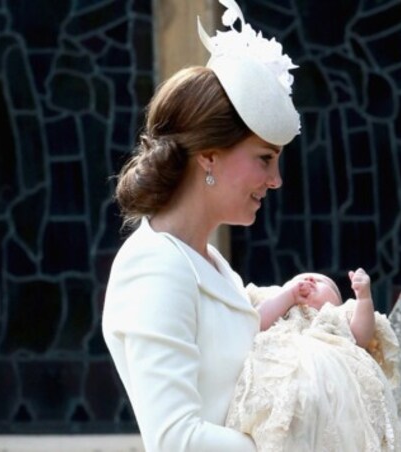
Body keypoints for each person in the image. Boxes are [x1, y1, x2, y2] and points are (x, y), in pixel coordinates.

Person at [102, 1, 300, 450]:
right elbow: (176, 439)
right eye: (264, 159)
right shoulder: (154, 266)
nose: (275, 181)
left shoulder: (208, 261)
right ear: (208, 155)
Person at [226, 269, 401, 451]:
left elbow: (361, 338)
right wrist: (288, 295)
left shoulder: (337, 315)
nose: (310, 280)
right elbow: (254, 324)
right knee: (279, 421)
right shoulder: (281, 312)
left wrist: (364, 297)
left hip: (333, 390)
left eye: (322, 282)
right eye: (299, 279)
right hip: (283, 383)